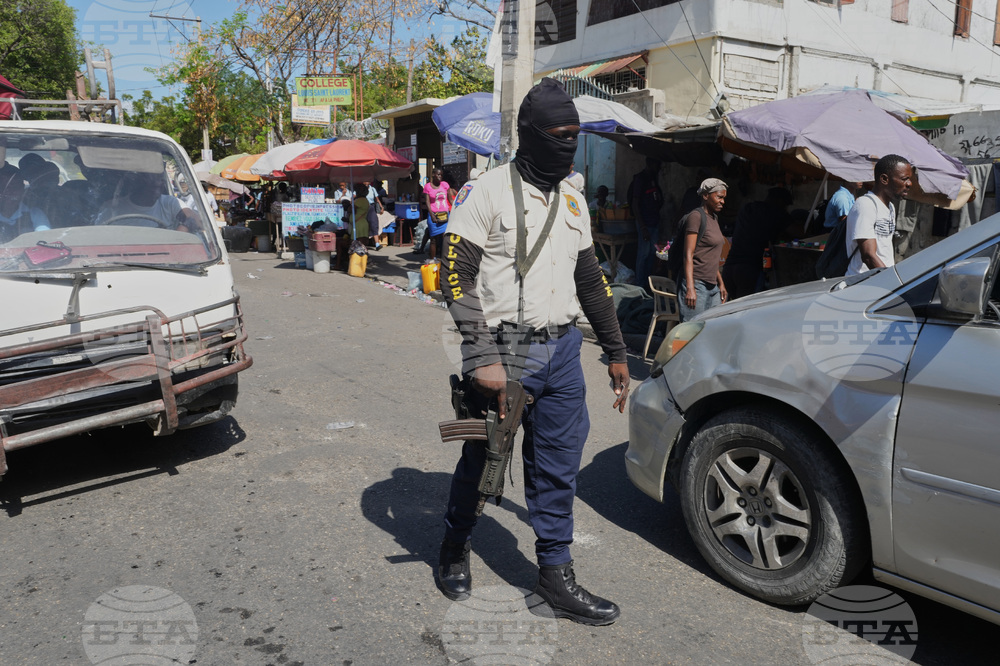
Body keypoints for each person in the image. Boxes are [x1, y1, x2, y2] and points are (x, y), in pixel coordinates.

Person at [438, 77, 629, 626]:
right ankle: (455, 544)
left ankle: (554, 573)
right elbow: (456, 278)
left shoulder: (572, 198)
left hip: (565, 350)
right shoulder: (486, 191)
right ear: (529, 134)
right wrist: (483, 358)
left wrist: (615, 349)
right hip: (507, 349)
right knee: (483, 459)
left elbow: (591, 280)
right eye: (558, 135)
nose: (568, 144)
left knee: (558, 467)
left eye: (575, 135)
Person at [721, 187, 793, 300]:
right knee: (746, 311)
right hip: (749, 270)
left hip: (729, 268)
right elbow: (799, 231)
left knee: (734, 311)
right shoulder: (775, 212)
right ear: (780, 202)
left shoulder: (748, 208)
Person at [846, 154, 912, 276]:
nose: (909, 184)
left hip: (879, 282)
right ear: (884, 179)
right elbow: (868, 256)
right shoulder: (866, 205)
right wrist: (890, 281)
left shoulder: (890, 206)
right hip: (863, 285)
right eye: (904, 179)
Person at [679, 178, 728, 321]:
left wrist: (721, 283)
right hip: (697, 285)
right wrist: (690, 288)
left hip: (713, 286)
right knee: (691, 332)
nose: (722, 201)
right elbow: (688, 254)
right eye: (719, 197)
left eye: (724, 198)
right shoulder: (696, 217)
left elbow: (711, 256)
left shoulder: (714, 218)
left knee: (712, 330)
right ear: (706, 196)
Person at [94, 171, 197, 231]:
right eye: (150, 188)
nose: (155, 193)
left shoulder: (170, 203)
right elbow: (98, 237)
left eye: (159, 188)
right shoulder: (111, 208)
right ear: (136, 187)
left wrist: (178, 238)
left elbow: (195, 219)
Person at [628, 158, 664, 289]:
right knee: (643, 254)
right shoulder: (640, 179)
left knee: (651, 254)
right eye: (657, 165)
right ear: (650, 164)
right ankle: (639, 285)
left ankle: (648, 284)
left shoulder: (653, 179)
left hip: (654, 221)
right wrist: (642, 227)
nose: (659, 168)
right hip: (645, 223)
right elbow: (635, 204)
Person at [0, 164, 52, 242]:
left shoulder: (35, 214)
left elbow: (45, 242)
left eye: (14, 187)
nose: (9, 192)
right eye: (3, 187)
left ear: (22, 189)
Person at [422, 167, 451, 260]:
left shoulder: (445, 185)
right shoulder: (427, 186)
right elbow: (427, 202)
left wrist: (456, 209)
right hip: (434, 216)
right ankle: (432, 260)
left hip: (445, 216)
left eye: (441, 175)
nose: (440, 177)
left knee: (445, 239)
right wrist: (432, 215)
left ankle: (444, 260)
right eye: (438, 174)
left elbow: (450, 199)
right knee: (433, 239)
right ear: (433, 175)